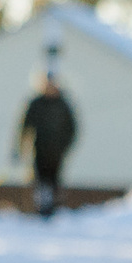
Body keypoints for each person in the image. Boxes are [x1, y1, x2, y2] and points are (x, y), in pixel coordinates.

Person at [17, 72, 78, 219]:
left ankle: (54, 210)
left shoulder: (63, 104)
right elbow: (25, 127)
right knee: (41, 181)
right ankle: (41, 209)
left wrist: (65, 146)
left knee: (54, 181)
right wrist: (20, 147)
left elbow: (72, 129)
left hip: (57, 152)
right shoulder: (36, 103)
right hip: (40, 149)